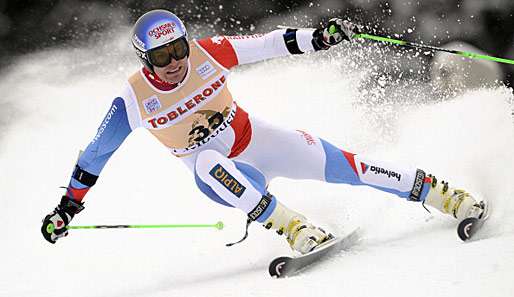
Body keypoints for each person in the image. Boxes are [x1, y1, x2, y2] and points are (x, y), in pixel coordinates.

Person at [42, 9, 487, 254]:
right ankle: (293, 228)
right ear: (145, 61)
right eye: (162, 57)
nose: (175, 61)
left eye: (178, 48)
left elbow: (271, 43)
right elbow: (94, 156)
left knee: (347, 164)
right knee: (209, 160)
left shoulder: (207, 54)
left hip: (257, 141)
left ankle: (441, 193)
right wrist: (68, 208)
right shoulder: (134, 100)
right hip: (221, 176)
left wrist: (322, 37)